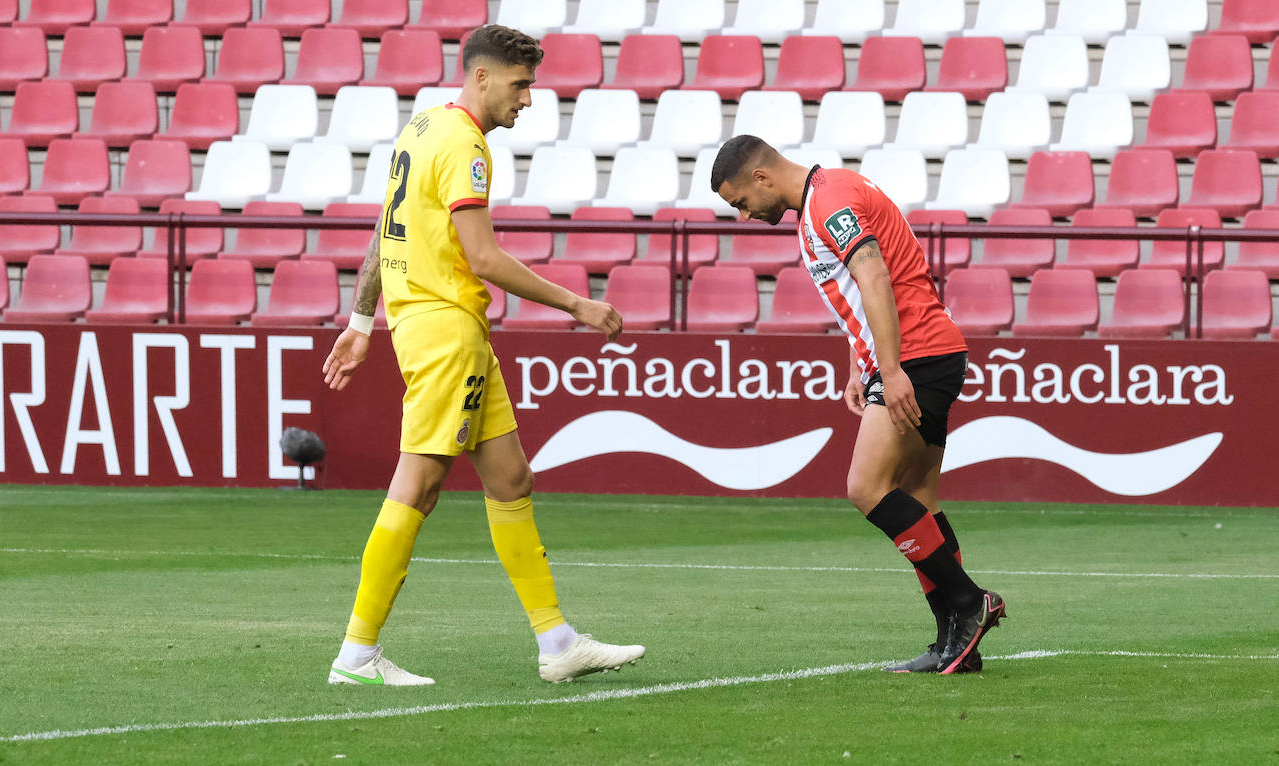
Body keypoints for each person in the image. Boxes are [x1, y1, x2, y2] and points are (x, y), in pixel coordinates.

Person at [320, 24, 645, 686]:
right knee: (419, 485)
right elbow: (485, 257)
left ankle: (557, 644)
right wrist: (576, 305)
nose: (527, 100)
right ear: (483, 78)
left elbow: (387, 231)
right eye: (521, 85)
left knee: (510, 480)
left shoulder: (419, 131)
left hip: (436, 325)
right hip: (446, 332)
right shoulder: (466, 145)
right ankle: (357, 653)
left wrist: (360, 320)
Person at [710, 135, 1005, 675]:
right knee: (918, 495)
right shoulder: (821, 200)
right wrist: (861, 361)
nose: (745, 217)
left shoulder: (829, 200)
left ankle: (969, 602)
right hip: (920, 353)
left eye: (741, 203)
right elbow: (858, 283)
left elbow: (874, 275)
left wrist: (889, 371)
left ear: (761, 178)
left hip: (916, 355)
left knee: (866, 488)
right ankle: (953, 642)